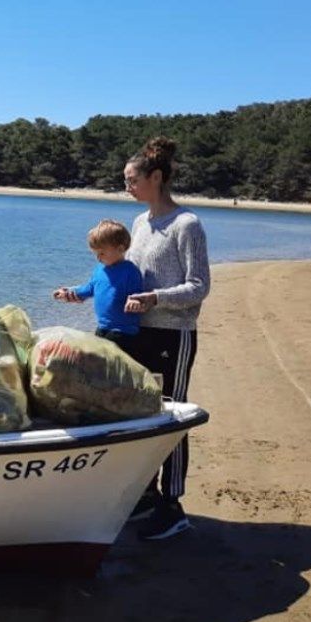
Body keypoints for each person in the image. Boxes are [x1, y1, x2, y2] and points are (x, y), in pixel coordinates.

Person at [121, 136, 211, 541]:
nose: (127, 187)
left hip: (173, 335)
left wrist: (155, 298)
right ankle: (146, 494)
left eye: (132, 180)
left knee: (171, 416)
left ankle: (172, 505)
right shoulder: (140, 223)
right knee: (140, 412)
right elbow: (130, 275)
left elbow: (199, 286)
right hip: (137, 332)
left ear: (155, 177)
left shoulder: (186, 224)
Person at [53, 219, 144, 358]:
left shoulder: (130, 271)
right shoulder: (100, 269)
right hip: (102, 328)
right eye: (95, 254)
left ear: (120, 249)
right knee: (97, 363)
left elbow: (137, 294)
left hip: (123, 332)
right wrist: (69, 292)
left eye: (101, 253)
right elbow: (89, 288)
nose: (98, 258)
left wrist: (136, 301)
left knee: (112, 365)